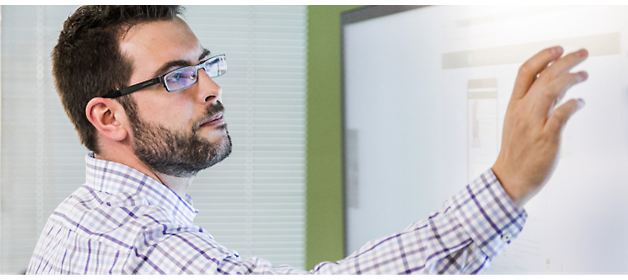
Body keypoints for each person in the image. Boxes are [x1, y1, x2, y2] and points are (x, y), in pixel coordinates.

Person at [26, 5, 589, 275]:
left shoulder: (78, 217)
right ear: (107, 117)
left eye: (206, 65)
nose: (212, 87)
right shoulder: (147, 251)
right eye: (178, 76)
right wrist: (507, 185)